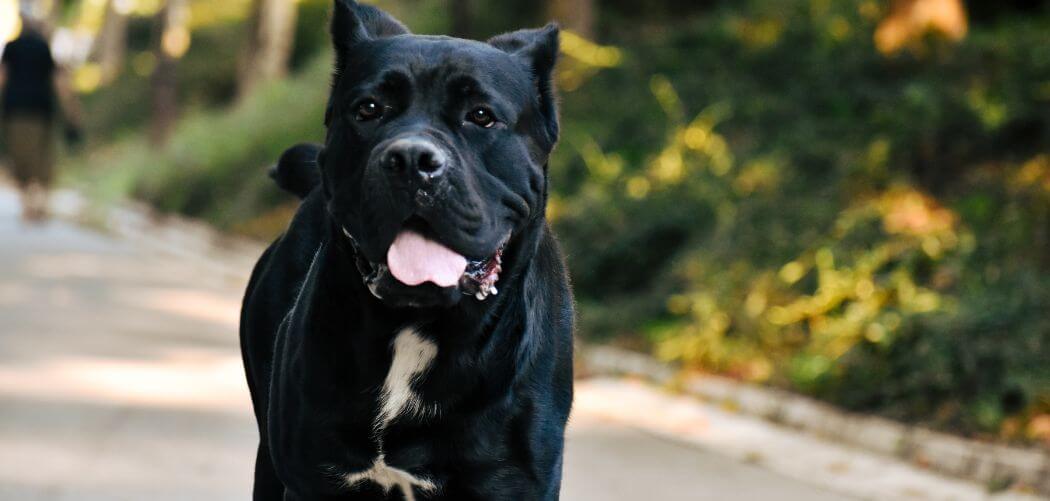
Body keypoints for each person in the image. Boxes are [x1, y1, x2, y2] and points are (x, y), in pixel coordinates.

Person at [0, 17, 81, 223]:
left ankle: (30, 203)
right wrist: (73, 113)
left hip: (16, 111)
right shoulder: (44, 49)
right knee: (41, 159)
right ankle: (39, 202)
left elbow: (2, 77)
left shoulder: (12, 48)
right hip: (41, 112)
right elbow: (59, 82)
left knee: (21, 159)